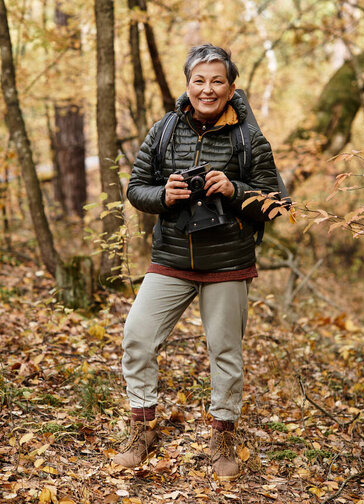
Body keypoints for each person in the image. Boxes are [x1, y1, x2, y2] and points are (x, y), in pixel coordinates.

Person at [114, 44, 280, 481]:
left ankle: (223, 435)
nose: (207, 89)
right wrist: (163, 195)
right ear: (187, 84)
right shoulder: (164, 130)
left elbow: (276, 202)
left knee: (225, 351)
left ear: (230, 86)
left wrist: (234, 189)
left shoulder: (249, 137)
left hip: (228, 260)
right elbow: (135, 188)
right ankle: (143, 428)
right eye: (198, 80)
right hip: (170, 255)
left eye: (217, 80)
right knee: (138, 335)